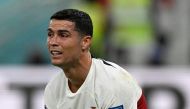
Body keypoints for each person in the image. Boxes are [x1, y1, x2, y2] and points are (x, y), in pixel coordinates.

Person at [44, 9, 147, 109]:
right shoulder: (53, 88)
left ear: (85, 42)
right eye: (50, 34)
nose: (53, 42)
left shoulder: (115, 84)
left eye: (63, 35)